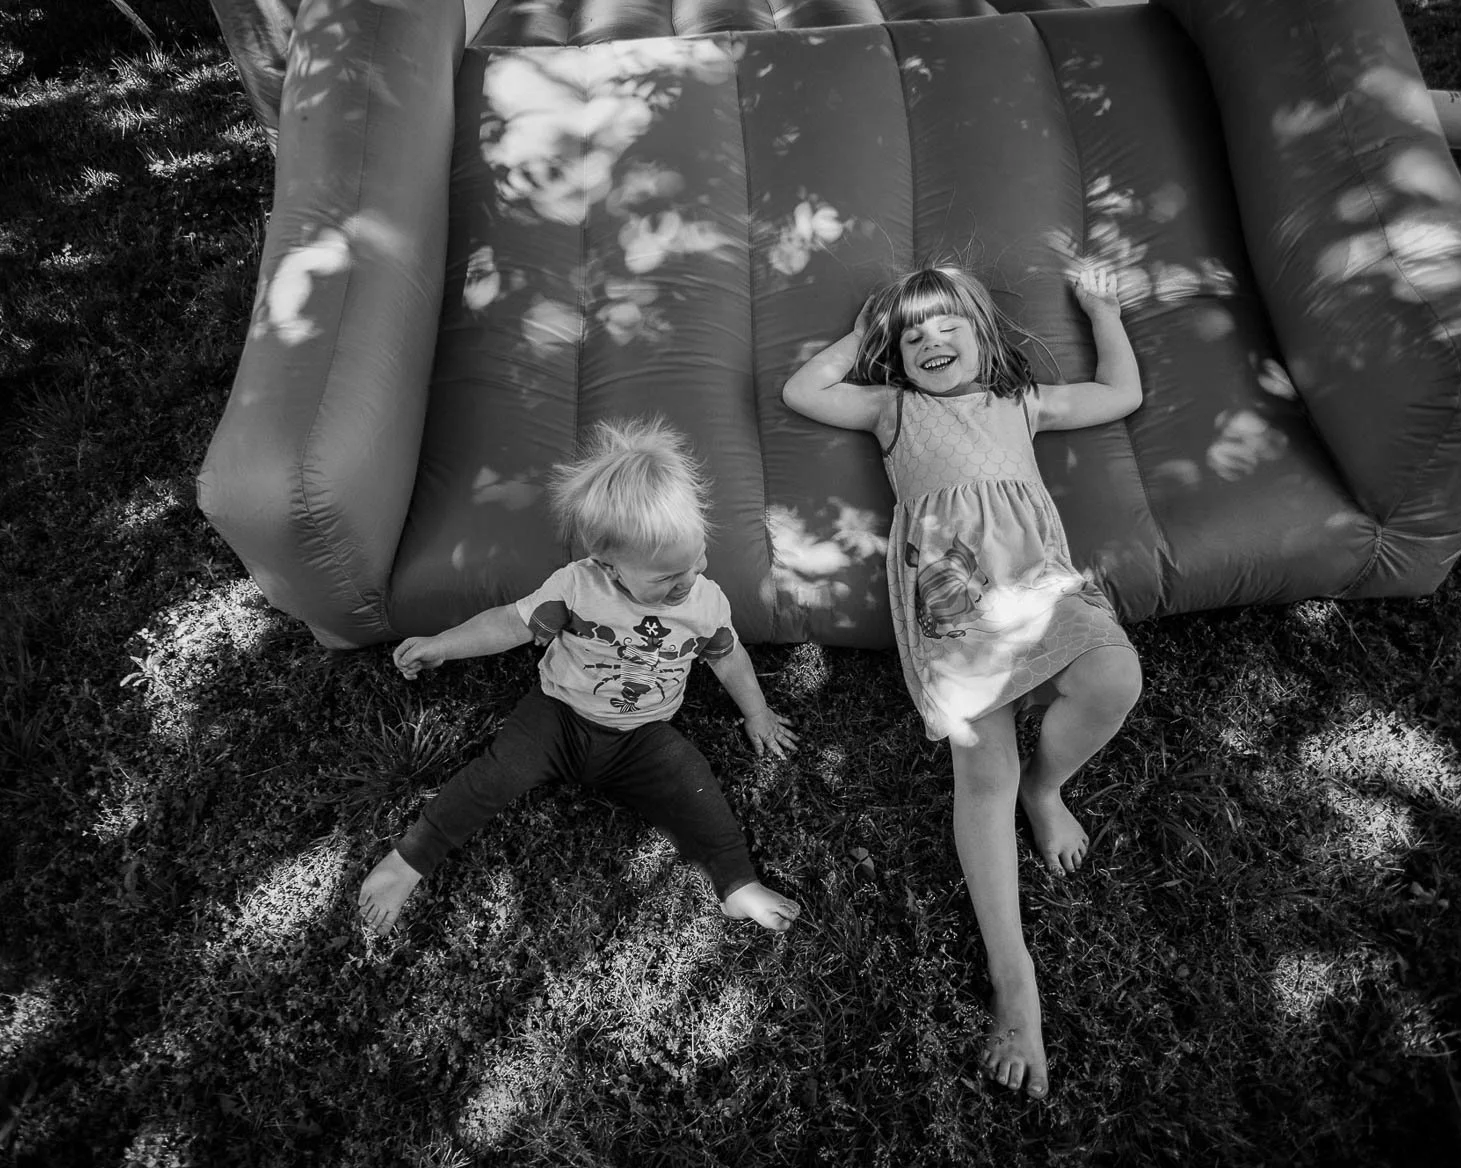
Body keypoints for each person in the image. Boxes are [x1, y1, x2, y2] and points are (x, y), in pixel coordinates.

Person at [781, 263, 1145, 1098]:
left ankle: (1047, 790)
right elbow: (806, 389)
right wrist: (869, 328)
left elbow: (1118, 394)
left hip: (1041, 587)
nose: (931, 341)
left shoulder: (1023, 402)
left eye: (948, 326)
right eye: (912, 335)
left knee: (1115, 677)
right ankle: (1015, 982)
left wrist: (1101, 310)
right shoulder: (893, 408)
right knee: (984, 766)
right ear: (895, 357)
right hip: (953, 597)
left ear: (986, 337)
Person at [358, 415, 802, 937]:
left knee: (696, 785)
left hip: (642, 736)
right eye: (666, 577)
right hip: (558, 718)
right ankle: (410, 860)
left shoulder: (705, 604)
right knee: (492, 776)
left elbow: (729, 658)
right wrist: (442, 646)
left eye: (696, 561)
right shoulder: (577, 588)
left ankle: (737, 883)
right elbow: (510, 623)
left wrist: (758, 712)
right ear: (610, 567)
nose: (687, 582)